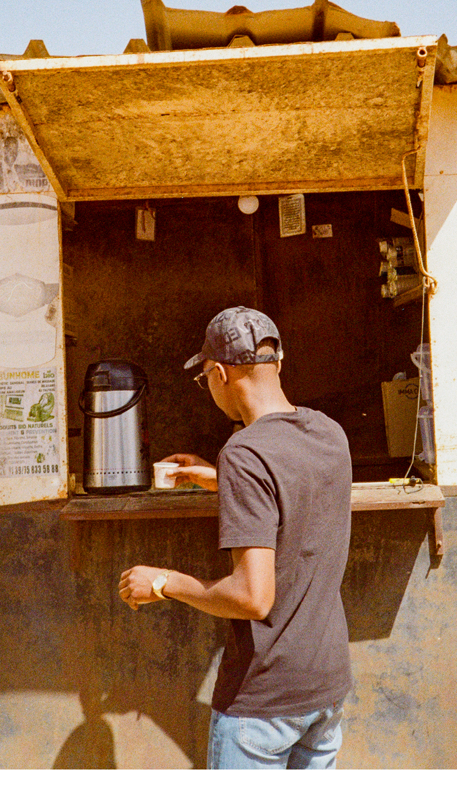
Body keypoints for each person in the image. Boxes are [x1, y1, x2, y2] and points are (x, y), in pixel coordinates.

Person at [118, 306, 353, 770]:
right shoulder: (328, 432)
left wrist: (163, 583)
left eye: (204, 377)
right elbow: (291, 487)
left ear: (220, 373)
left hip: (265, 700)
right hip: (326, 687)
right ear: (278, 362)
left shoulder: (245, 452)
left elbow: (252, 597)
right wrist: (217, 476)